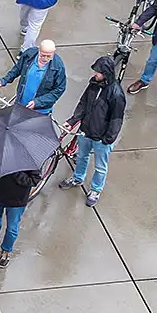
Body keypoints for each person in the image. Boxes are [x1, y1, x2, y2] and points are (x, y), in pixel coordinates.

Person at [58, 54, 125, 207]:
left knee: (100, 166)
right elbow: (83, 104)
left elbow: (116, 119)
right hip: (86, 131)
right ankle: (78, 177)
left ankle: (95, 190)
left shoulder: (116, 94)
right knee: (82, 157)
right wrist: (73, 121)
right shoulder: (93, 84)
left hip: (101, 138)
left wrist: (107, 139)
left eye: (98, 72)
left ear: (106, 73)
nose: (95, 74)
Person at [0, 39, 66, 112]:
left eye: (48, 56)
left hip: (41, 110)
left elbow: (59, 89)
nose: (45, 58)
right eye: (43, 55)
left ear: (54, 52)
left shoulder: (58, 67)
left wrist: (38, 102)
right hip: (21, 103)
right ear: (39, 50)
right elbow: (17, 69)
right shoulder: (29, 55)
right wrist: (4, 80)